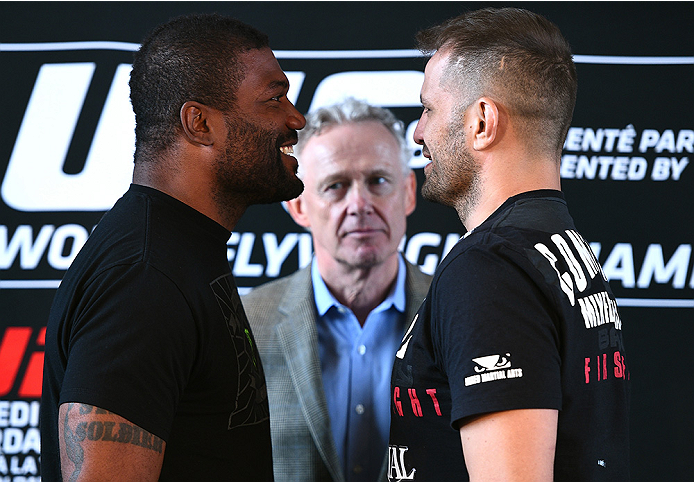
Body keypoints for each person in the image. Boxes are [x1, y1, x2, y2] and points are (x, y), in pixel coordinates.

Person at [40, 13, 306, 481]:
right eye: (274, 98)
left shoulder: (180, 251)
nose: (295, 117)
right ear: (199, 123)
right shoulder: (143, 277)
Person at [388, 7, 630, 481]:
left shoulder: (489, 268)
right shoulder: (559, 247)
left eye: (428, 109)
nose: (418, 132)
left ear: (482, 122)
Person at [243, 98, 432, 482]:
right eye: (336, 186)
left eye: (378, 181)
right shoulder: (243, 323)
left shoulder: (459, 313)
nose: (359, 204)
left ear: (408, 192)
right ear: (298, 206)